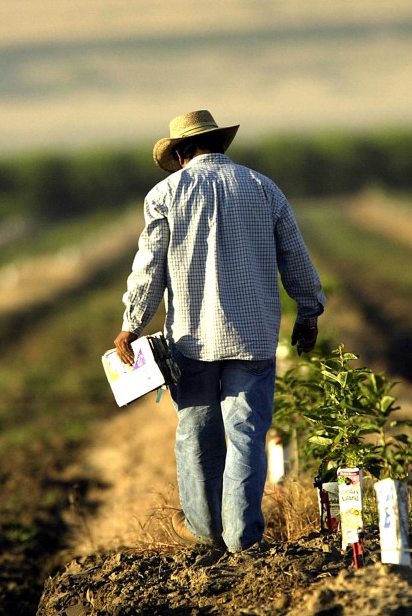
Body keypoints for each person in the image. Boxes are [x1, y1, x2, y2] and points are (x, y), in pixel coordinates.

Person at [114, 109, 325, 553]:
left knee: (195, 434)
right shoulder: (262, 187)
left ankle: (206, 531)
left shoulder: (164, 195)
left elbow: (149, 268)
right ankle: (242, 539)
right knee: (247, 435)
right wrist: (309, 312)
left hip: (191, 339)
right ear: (217, 145)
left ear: (181, 153)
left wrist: (131, 325)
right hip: (253, 336)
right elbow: (294, 256)